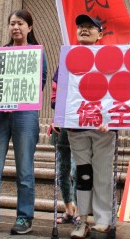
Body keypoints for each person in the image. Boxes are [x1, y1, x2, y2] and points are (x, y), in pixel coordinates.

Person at [0, 9, 47, 235]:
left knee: (25, 169)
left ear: (30, 27)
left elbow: (41, 81)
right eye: (12, 24)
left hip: (25, 115)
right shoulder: (0, 52)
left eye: (20, 23)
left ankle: (24, 218)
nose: (16, 27)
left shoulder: (36, 53)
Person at [66, 14, 117, 239]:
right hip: (76, 127)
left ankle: (104, 220)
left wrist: (112, 119)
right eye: (81, 27)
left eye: (90, 27)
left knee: (103, 172)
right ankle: (82, 220)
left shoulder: (111, 57)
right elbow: (60, 88)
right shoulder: (68, 56)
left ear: (100, 34)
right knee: (83, 174)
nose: (84, 30)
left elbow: (119, 90)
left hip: (103, 128)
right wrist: (58, 118)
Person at [50, 71, 78, 225]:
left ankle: (79, 212)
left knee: (77, 171)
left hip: (81, 124)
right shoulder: (63, 66)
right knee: (62, 171)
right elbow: (54, 98)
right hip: (62, 124)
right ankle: (69, 210)